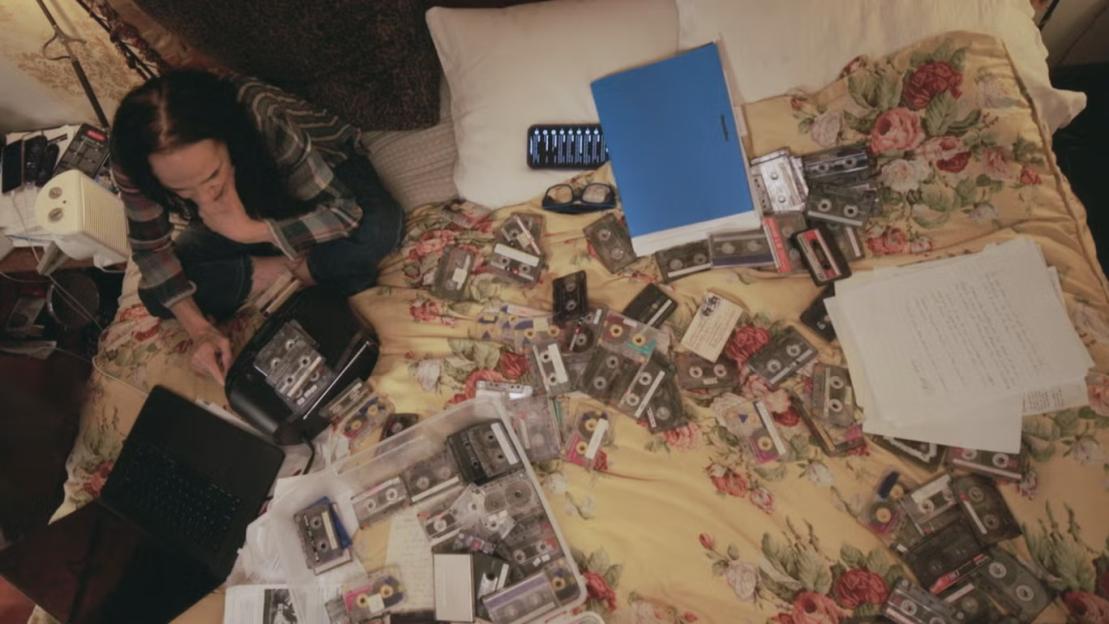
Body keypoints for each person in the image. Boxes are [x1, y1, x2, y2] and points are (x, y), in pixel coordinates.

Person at [110, 70, 404, 384]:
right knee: (155, 293)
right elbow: (152, 250)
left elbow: (345, 214)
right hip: (244, 211)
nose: (205, 198)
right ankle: (282, 269)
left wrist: (252, 232)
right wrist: (201, 331)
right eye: (182, 190)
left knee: (380, 230)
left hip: (316, 171)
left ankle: (303, 271)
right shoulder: (132, 161)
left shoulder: (260, 113)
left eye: (211, 176)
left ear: (227, 141)